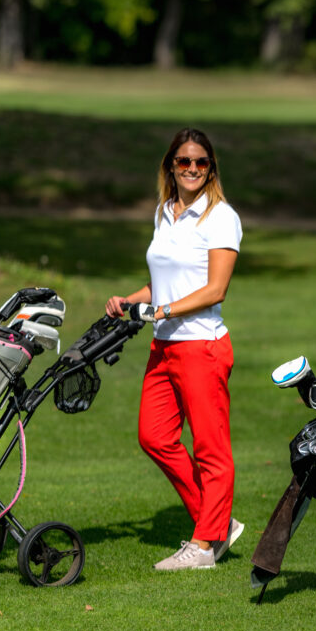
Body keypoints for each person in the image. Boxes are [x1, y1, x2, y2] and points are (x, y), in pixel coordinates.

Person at [106, 128, 245, 571]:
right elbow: (163, 282)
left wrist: (162, 308)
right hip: (164, 346)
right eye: (183, 161)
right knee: (154, 436)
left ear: (211, 169)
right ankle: (217, 521)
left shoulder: (221, 217)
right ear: (170, 165)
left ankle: (205, 546)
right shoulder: (165, 212)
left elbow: (215, 289)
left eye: (200, 163)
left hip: (202, 346)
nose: (191, 169)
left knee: (211, 449)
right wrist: (131, 300)